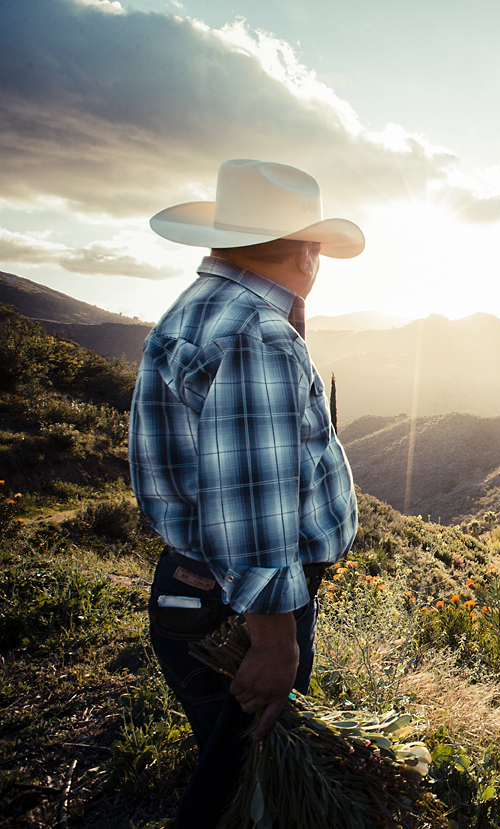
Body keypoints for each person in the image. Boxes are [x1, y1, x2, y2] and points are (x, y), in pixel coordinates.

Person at [130, 159, 364, 828]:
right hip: (241, 609)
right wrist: (274, 639)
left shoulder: (203, 306)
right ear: (310, 251)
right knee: (239, 791)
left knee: (236, 768)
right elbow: (254, 503)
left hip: (197, 586)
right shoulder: (256, 335)